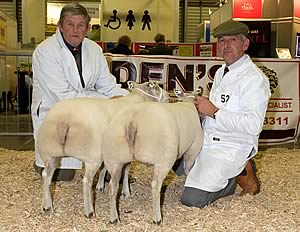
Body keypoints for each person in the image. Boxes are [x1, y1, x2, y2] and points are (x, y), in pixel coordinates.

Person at [175, 20, 271, 208]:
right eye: (221, 41)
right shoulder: (221, 72)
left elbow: (253, 125)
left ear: (245, 44)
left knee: (192, 200)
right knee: (171, 153)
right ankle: (219, 171)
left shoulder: (255, 79)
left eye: (232, 40)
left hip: (232, 145)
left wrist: (214, 111)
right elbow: (217, 110)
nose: (225, 45)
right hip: (208, 139)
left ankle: (240, 172)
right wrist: (201, 112)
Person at [31, 3, 129, 181]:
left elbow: (106, 83)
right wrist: (105, 104)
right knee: (62, 174)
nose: (75, 30)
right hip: (55, 112)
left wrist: (125, 99)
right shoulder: (45, 51)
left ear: (88, 28)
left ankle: (106, 165)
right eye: (69, 24)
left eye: (80, 25)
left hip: (88, 111)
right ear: (60, 26)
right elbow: (62, 96)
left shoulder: (94, 49)